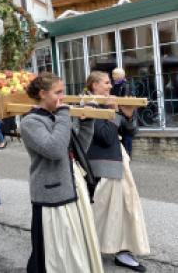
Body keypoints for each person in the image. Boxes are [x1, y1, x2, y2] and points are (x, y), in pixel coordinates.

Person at [20, 72, 104, 273]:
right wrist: (64, 114)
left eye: (63, 91)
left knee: (75, 244)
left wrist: (86, 122)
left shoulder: (56, 116)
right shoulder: (30, 122)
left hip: (71, 186)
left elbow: (76, 148)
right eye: (58, 92)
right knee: (54, 252)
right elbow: (55, 150)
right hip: (51, 196)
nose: (62, 97)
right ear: (42, 94)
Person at [86, 71, 150, 272]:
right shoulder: (88, 106)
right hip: (103, 168)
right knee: (104, 214)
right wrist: (114, 110)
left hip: (118, 163)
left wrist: (129, 115)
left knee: (125, 211)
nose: (110, 86)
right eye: (105, 83)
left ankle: (122, 251)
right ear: (94, 85)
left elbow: (130, 132)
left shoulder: (106, 104)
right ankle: (88, 247)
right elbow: (104, 136)